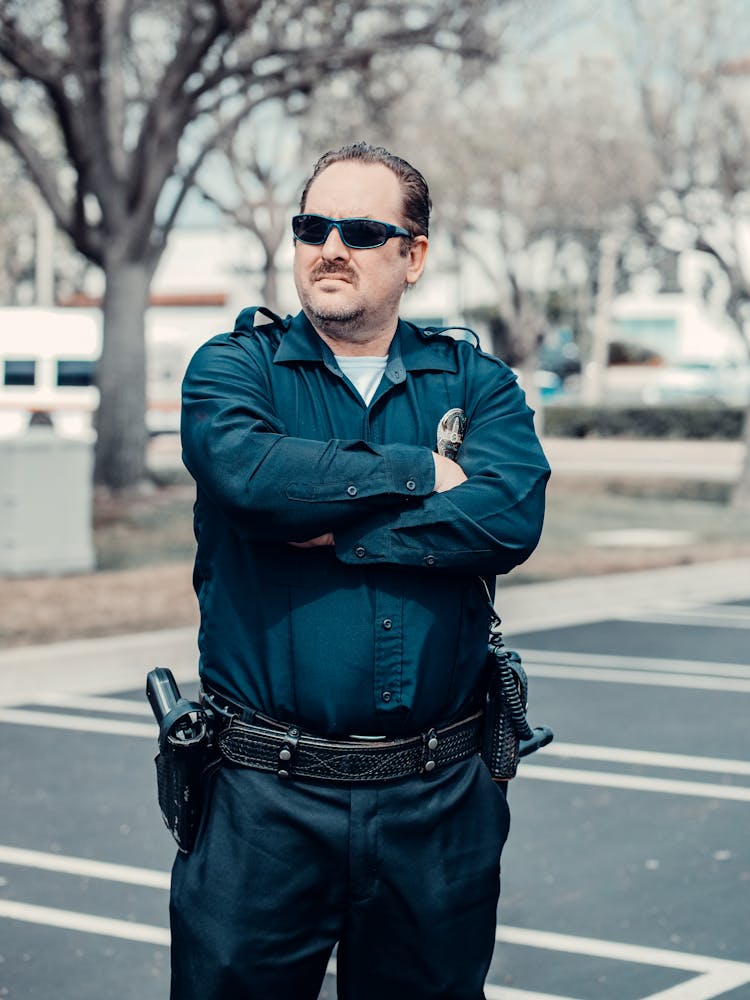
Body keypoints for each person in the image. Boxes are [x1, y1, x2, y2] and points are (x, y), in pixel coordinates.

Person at [172, 140, 550, 1000]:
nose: (330, 246)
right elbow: (251, 479)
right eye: (313, 226)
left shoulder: (477, 384)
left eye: (362, 229)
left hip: (438, 801)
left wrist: (336, 533)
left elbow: (508, 517)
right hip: (261, 802)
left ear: (413, 255)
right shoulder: (234, 370)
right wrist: (418, 473)